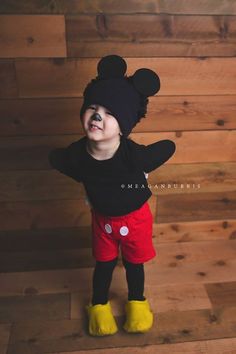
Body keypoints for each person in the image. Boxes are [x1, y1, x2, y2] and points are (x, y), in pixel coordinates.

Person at [48, 55, 176, 336]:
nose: (97, 116)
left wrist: (158, 156)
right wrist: (79, 176)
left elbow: (165, 148)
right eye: (92, 108)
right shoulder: (77, 153)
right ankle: (98, 305)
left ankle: (137, 302)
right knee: (103, 264)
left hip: (136, 218)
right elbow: (60, 160)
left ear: (124, 126)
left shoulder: (131, 155)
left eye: (109, 113)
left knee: (134, 264)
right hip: (102, 220)